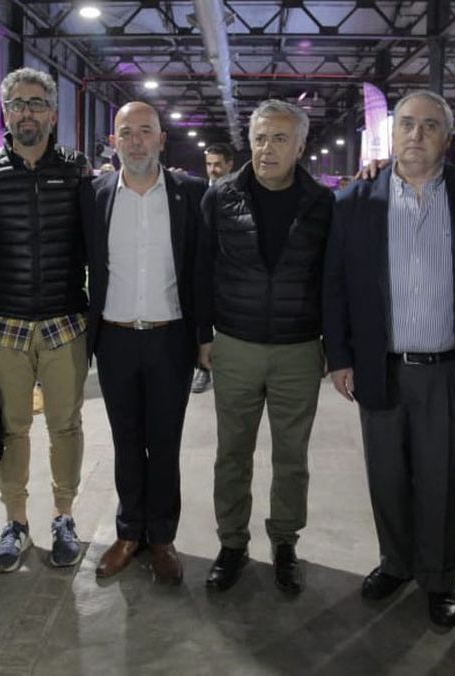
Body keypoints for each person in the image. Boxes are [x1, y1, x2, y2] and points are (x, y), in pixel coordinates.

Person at [324, 91, 455, 628]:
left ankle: (438, 578)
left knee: (442, 479)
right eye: (407, 125)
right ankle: (396, 562)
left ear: (447, 137)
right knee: (386, 475)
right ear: (392, 135)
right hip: (381, 365)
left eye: (430, 126)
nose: (416, 135)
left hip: (447, 367)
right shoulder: (355, 201)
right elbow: (337, 288)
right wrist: (339, 357)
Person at [197, 99, 334, 594]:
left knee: (291, 455)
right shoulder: (220, 197)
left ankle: (285, 543)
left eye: (279, 139)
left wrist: (331, 348)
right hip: (235, 343)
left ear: (300, 146)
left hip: (299, 348)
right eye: (259, 138)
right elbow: (202, 269)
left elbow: (332, 281)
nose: (267, 148)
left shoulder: (322, 205)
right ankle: (232, 542)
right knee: (232, 451)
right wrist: (201, 336)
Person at [0, 68, 92, 572]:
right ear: (4, 111)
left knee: (66, 425)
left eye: (37, 102)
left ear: (53, 112)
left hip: (66, 322)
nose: (27, 112)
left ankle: (64, 517)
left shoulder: (78, 169)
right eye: (18, 103)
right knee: (13, 428)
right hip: (6, 324)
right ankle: (15, 521)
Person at [86, 102, 206, 584]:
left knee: (165, 442)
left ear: (161, 140)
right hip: (113, 340)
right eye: (125, 132)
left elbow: (203, 268)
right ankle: (128, 531)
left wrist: (204, 336)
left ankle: (162, 537)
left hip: (169, 340)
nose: (135, 141)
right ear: (113, 142)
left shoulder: (191, 195)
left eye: (145, 131)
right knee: (125, 441)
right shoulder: (93, 194)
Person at [192, 142, 235, 395]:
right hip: (204, 270)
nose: (213, 169)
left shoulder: (240, 193)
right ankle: (203, 369)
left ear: (230, 164)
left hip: (229, 273)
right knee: (203, 322)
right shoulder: (196, 193)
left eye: (218, 164)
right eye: (209, 164)